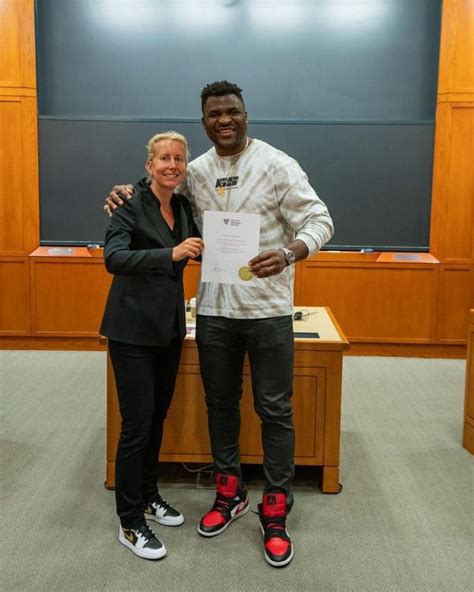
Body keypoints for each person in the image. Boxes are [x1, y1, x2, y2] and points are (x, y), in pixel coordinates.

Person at [105, 81, 333, 567]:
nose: (224, 120)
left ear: (245, 114)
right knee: (220, 406)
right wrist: (125, 190)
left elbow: (319, 219)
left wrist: (292, 251)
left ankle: (275, 508)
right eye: (214, 114)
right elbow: (156, 193)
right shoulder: (198, 171)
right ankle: (229, 493)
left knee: (275, 410)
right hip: (213, 314)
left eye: (232, 111)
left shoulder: (277, 164)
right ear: (204, 121)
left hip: (268, 312)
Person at [100, 131, 203, 560]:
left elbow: (202, 246)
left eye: (179, 158)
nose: (172, 165)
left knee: (157, 418)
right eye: (164, 157)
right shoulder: (127, 202)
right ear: (149, 165)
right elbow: (114, 258)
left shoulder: (181, 205)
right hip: (131, 331)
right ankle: (130, 522)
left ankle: (149, 495)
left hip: (168, 329)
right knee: (137, 426)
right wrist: (172, 254)